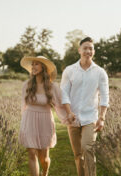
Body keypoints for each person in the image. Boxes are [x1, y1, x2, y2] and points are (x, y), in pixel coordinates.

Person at [60, 37, 109, 176]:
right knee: (77, 155)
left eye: (91, 48)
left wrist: (102, 118)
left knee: (88, 150)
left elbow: (105, 96)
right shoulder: (69, 71)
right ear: (79, 50)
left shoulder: (100, 72)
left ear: (94, 52)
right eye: (85, 48)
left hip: (90, 118)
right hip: (73, 118)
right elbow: (64, 93)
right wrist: (68, 112)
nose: (88, 51)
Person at [19, 56, 74, 176]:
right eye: (32, 64)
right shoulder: (27, 85)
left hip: (45, 121)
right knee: (32, 153)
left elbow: (60, 104)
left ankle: (45, 172)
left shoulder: (52, 86)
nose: (33, 67)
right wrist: (23, 124)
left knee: (44, 158)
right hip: (29, 119)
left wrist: (68, 115)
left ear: (43, 68)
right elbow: (23, 105)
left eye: (36, 64)